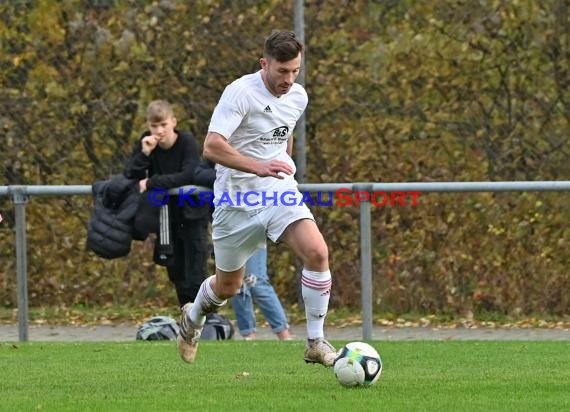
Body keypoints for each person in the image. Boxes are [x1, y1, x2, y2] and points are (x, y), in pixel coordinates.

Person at [177, 31, 336, 366]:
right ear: (265, 64)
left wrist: (282, 171)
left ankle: (315, 342)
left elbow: (284, 132)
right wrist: (258, 166)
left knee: (318, 253)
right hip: (235, 203)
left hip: (278, 193)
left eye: (295, 71)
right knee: (228, 287)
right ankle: (192, 320)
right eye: (282, 71)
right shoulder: (240, 93)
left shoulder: (298, 97)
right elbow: (212, 146)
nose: (289, 79)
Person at [123, 100, 210, 309]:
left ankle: (202, 318)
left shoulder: (186, 141)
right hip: (166, 215)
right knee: (175, 270)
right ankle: (186, 317)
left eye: (163, 125)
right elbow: (131, 175)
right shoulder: (147, 144)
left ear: (173, 122)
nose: (159, 130)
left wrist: (152, 182)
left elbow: (188, 175)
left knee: (195, 270)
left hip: (193, 212)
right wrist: (144, 154)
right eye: (154, 126)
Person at [195, 159, 293, 341]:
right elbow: (198, 173)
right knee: (235, 286)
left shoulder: (254, 151)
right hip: (228, 227)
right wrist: (228, 172)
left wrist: (241, 172)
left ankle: (284, 335)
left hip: (254, 224)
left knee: (256, 281)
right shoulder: (219, 151)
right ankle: (248, 335)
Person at [232, 246, 292, 340]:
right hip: (228, 235)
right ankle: (248, 338)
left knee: (256, 282)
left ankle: (285, 337)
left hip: (252, 233)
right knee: (236, 284)